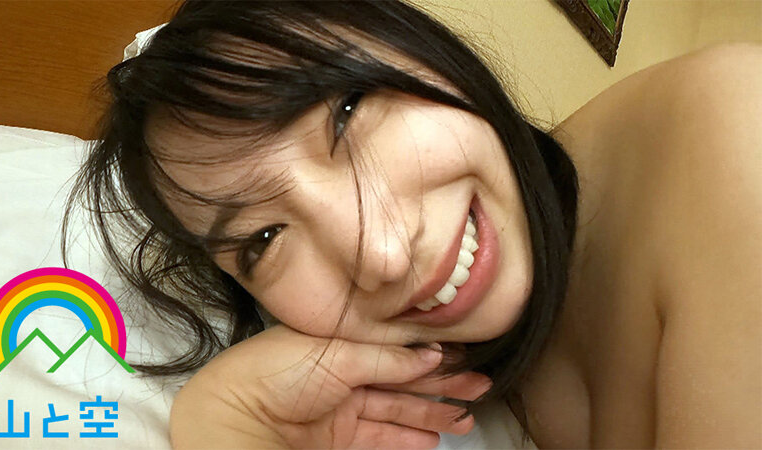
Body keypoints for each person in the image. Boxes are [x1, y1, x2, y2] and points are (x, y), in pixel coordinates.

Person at [65, 0, 761, 448]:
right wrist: (225, 424)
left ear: (417, 46)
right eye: (263, 239)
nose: (385, 256)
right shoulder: (440, 374)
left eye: (347, 116)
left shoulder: (735, 134)